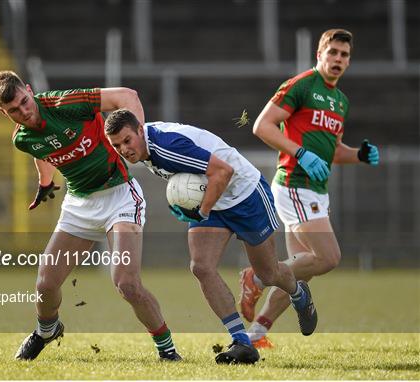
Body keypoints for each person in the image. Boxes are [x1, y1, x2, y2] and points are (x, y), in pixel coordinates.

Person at [0, 71, 181, 361]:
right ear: (3, 113)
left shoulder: (66, 103)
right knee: (45, 285)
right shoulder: (22, 139)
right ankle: (46, 331)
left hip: (119, 195)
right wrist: (44, 181)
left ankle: (166, 350)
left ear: (29, 91)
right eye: (14, 110)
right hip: (79, 204)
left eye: (25, 101)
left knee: (126, 283)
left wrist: (143, 143)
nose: (24, 111)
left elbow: (127, 96)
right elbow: (42, 150)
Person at [104, 109, 318, 365]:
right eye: (117, 145)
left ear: (140, 130)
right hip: (215, 198)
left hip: (246, 195)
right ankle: (241, 342)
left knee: (269, 273)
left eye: (127, 140)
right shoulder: (144, 148)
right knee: (201, 267)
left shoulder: (167, 145)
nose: (124, 149)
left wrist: (201, 211)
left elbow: (223, 172)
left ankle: (298, 293)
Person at [239, 29, 380, 349]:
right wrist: (300, 152)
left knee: (301, 272)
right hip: (295, 184)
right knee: (328, 258)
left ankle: (255, 335)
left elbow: (333, 151)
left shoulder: (340, 101)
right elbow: (262, 125)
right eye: (333, 52)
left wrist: (357, 155)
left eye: (344, 55)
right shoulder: (302, 85)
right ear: (320, 55)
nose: (338, 59)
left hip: (315, 190)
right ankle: (257, 276)